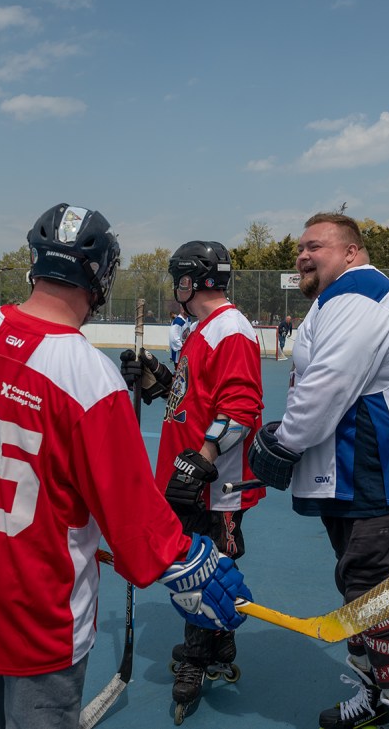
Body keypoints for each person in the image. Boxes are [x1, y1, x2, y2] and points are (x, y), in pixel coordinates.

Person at [0, 203, 250, 729]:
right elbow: (129, 516)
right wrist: (187, 562)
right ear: (101, 276)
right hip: (40, 607)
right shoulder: (88, 376)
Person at [247, 212, 389, 729]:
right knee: (360, 589)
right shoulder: (343, 296)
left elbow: (330, 381)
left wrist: (286, 442)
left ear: (352, 251)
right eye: (299, 249)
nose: (303, 256)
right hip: (359, 469)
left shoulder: (357, 293)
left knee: (376, 590)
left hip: (383, 468)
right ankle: (382, 697)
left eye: (316, 246)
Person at [123, 240, 264, 716]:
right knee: (201, 564)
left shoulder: (231, 330)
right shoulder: (204, 330)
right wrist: (151, 375)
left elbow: (242, 406)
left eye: (176, 280)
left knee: (200, 570)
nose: (173, 288)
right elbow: (186, 400)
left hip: (214, 485)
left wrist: (202, 457)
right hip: (194, 477)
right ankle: (218, 645)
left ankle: (198, 658)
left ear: (189, 282)